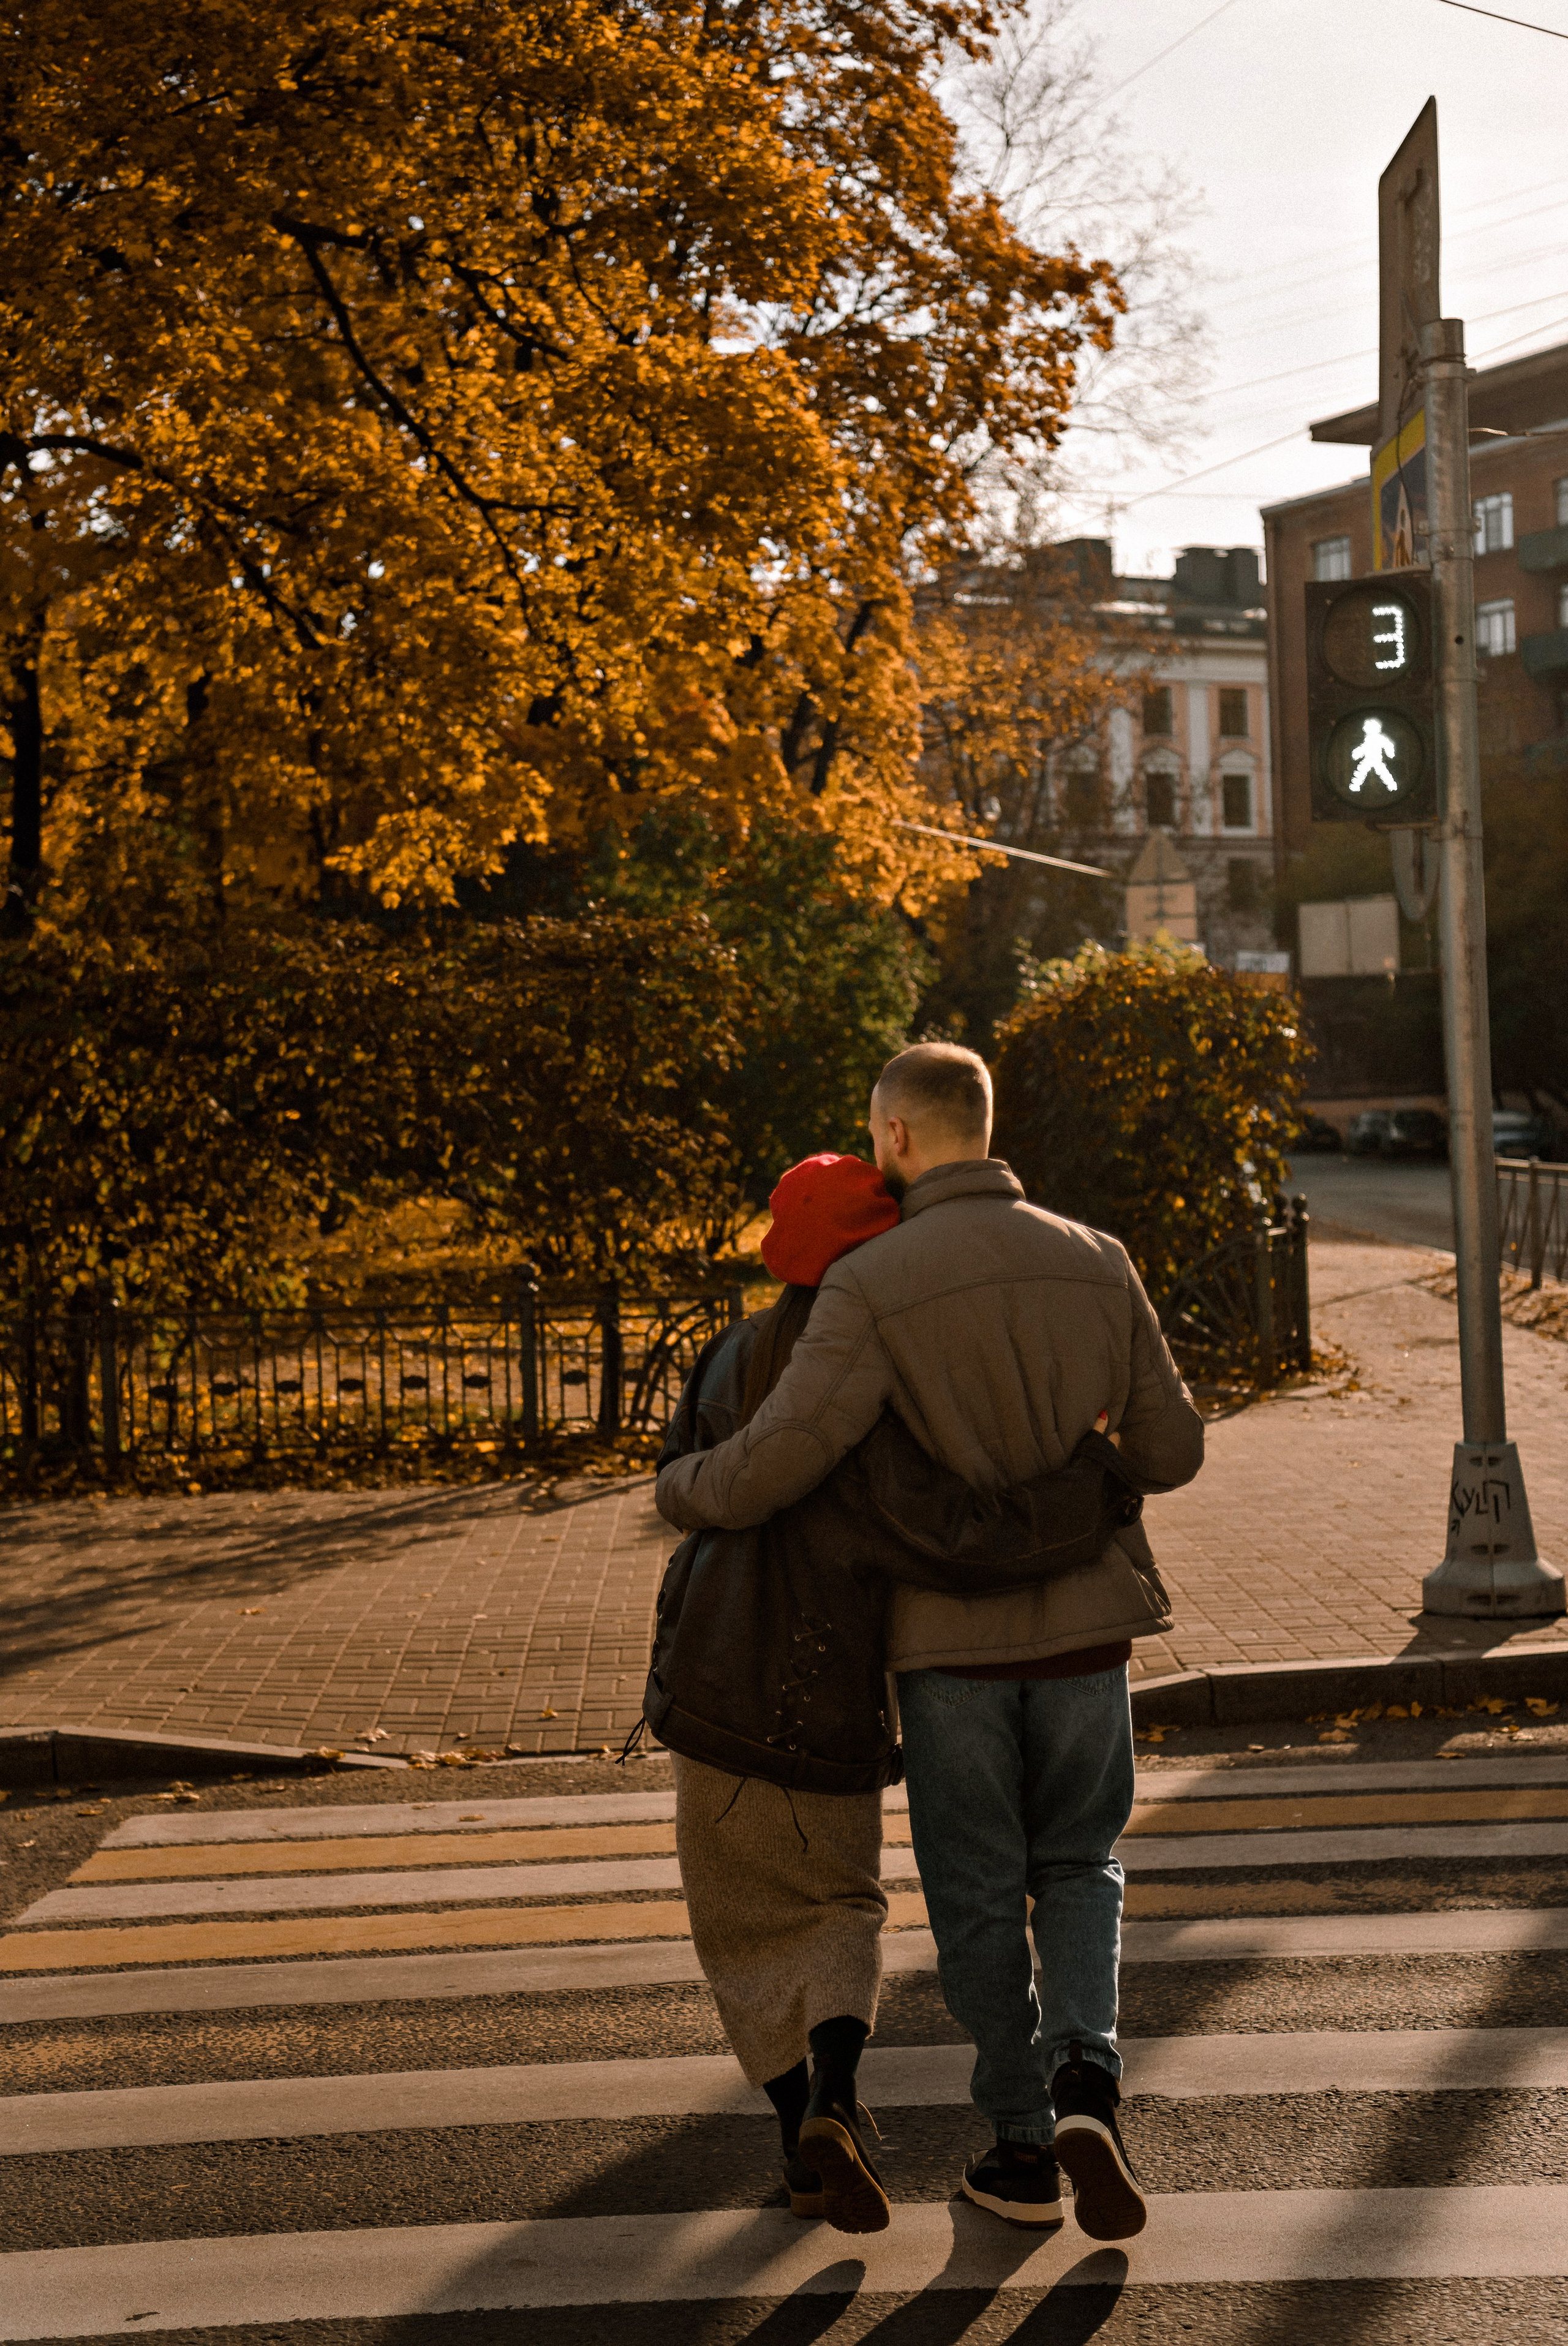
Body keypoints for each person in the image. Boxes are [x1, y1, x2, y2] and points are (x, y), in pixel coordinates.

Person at [657, 1043, 1204, 2240]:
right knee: (1082, 1862)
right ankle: (1086, 2078)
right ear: (986, 1122)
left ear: (896, 1136)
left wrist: (681, 1487)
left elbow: (788, 1452)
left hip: (949, 1646)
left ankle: (1020, 2143)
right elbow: (1173, 1450)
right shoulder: (1097, 1257)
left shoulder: (874, 1281)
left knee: (974, 1889)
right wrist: (1086, 1459)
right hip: (1089, 1635)